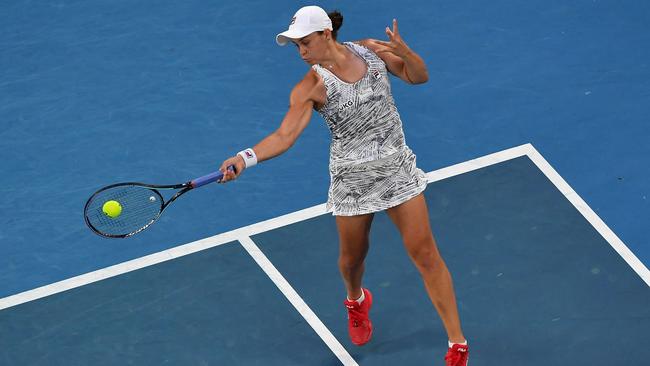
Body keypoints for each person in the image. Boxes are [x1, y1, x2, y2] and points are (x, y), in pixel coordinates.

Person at [218, 5, 469, 365]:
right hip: (352, 181)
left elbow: (418, 77)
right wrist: (245, 157)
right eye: (296, 46)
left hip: (397, 169)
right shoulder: (311, 86)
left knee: (426, 255)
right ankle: (356, 299)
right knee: (352, 260)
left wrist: (405, 51)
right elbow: (285, 135)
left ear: (325, 34)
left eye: (305, 43)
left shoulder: (371, 50)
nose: (302, 52)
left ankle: (457, 343)